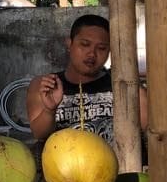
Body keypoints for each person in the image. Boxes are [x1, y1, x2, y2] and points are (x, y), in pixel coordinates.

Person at [26, 14, 148, 145]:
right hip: (66, 163)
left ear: (110, 51)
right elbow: (39, 133)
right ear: (69, 43)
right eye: (85, 44)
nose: (92, 54)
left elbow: (147, 127)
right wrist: (49, 110)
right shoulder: (47, 85)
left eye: (101, 48)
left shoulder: (123, 84)